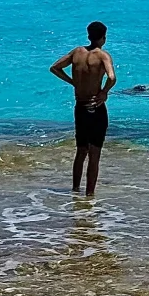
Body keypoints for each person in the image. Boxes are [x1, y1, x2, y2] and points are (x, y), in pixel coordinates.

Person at [50, 21, 117, 196]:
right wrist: (104, 92)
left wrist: (73, 82)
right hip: (96, 108)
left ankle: (75, 190)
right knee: (94, 155)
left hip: (80, 107)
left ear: (88, 36)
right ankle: (89, 195)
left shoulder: (77, 53)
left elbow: (55, 68)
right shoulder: (103, 56)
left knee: (81, 151)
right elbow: (111, 77)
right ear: (103, 38)